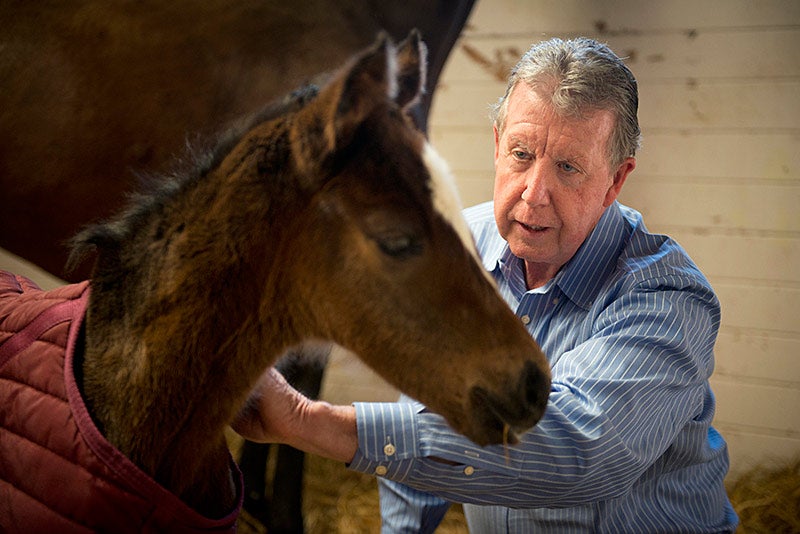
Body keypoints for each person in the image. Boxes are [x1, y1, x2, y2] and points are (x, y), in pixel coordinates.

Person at [232, 37, 739, 532]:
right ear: (497, 146)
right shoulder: (457, 249)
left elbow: (577, 448)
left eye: (568, 168)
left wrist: (306, 420)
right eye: (521, 154)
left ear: (615, 181)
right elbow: (424, 412)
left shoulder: (668, 298)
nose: (534, 194)